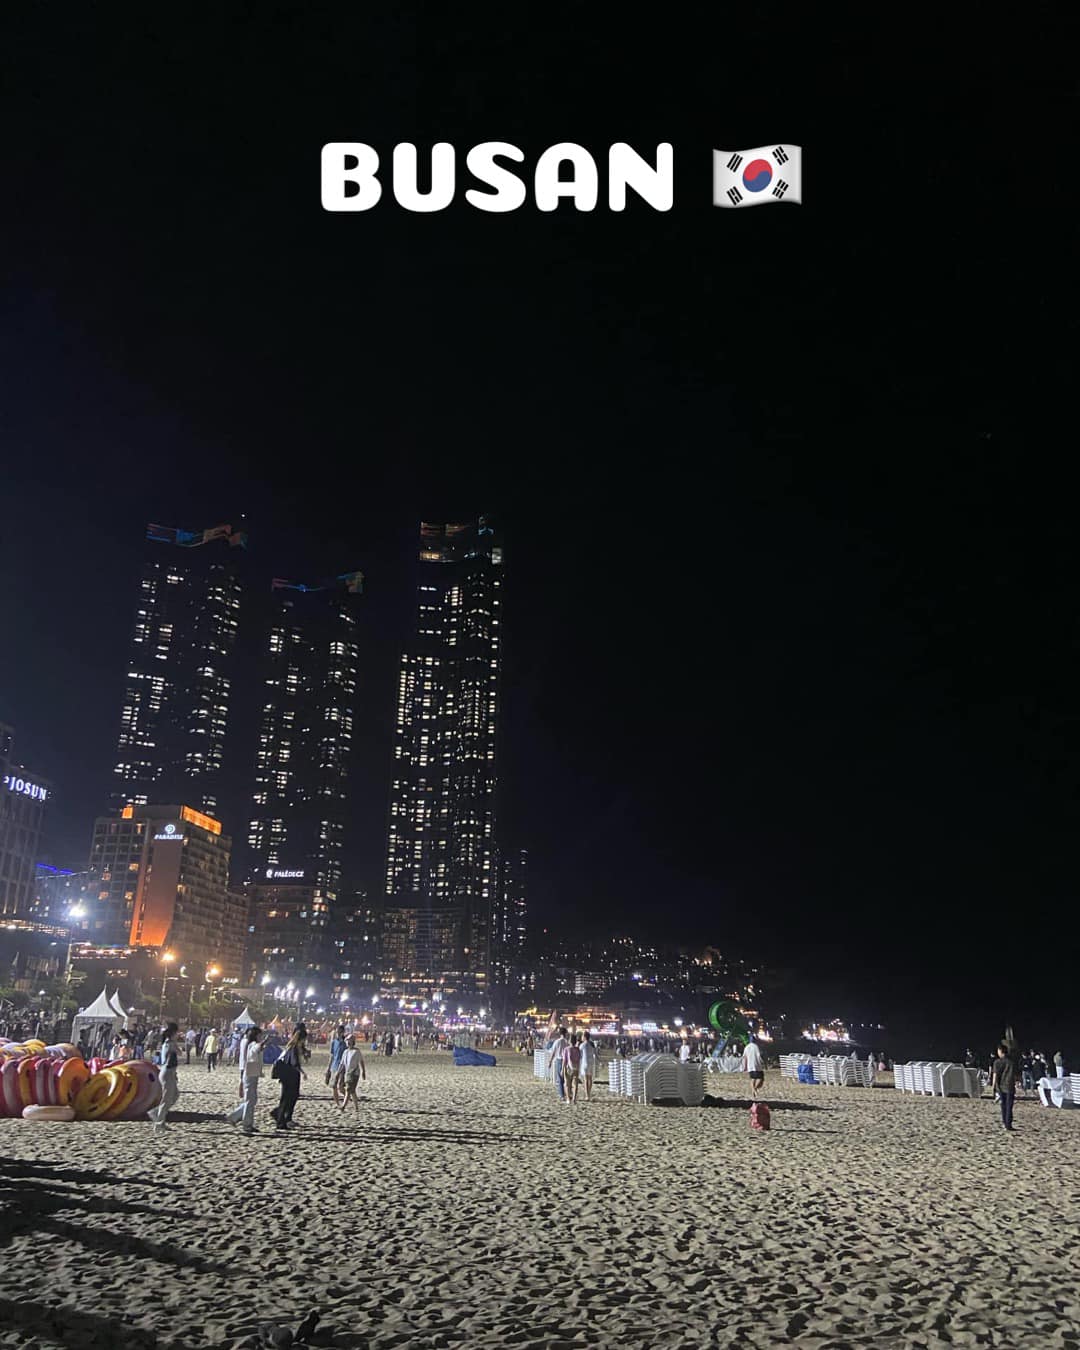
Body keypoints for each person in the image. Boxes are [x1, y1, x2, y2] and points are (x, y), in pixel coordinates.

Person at [223, 1025, 265, 1135]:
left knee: (252, 1099)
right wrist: (262, 1044)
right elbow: (256, 1049)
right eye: (260, 1035)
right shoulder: (252, 1044)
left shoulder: (249, 1043)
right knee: (250, 1099)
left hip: (252, 1068)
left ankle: (235, 1116)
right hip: (250, 1069)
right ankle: (246, 1124)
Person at [270, 1028, 307, 1130]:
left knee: (290, 1097)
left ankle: (280, 1115)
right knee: (287, 1099)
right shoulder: (293, 1048)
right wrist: (303, 1073)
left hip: (288, 1076)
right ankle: (280, 1121)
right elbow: (294, 1063)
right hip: (290, 1076)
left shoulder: (293, 1047)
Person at [149, 1023, 181, 1128]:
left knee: (175, 1095)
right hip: (167, 1072)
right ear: (173, 1033)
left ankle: (157, 1114)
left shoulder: (169, 1043)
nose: (178, 1034)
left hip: (169, 1072)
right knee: (167, 1098)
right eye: (177, 1032)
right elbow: (177, 1054)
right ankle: (159, 1121)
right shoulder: (169, 1043)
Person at [990, 1040, 1019, 1131]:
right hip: (1009, 1086)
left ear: (1000, 1051)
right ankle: (1008, 1124)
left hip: (1000, 1086)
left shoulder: (997, 1062)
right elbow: (1015, 1074)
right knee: (1009, 1106)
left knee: (1003, 1105)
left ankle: (1004, 1123)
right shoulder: (1011, 1062)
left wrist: (993, 1086)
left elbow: (995, 1074)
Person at [339, 1035, 366, 1118]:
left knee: (348, 1089)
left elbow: (361, 1061)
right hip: (347, 1073)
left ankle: (343, 1106)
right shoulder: (345, 1052)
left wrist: (364, 1072)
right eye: (347, 1041)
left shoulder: (356, 1051)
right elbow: (342, 1063)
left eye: (349, 1040)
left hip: (354, 1073)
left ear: (352, 1041)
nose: (347, 1042)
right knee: (352, 1091)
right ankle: (356, 1107)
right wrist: (338, 1073)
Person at [546, 1026, 568, 1101]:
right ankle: (567, 1093)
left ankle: (562, 1095)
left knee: (560, 1078)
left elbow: (553, 1052)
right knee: (566, 1078)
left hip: (559, 1060)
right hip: (567, 1061)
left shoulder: (557, 1041)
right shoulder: (567, 1042)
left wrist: (550, 1061)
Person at [328, 1024, 347, 1104]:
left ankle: (348, 1096)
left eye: (340, 1032)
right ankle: (338, 1104)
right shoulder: (333, 1042)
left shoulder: (345, 1043)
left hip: (342, 1067)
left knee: (341, 1087)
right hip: (334, 1066)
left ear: (343, 1032)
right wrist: (328, 1068)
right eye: (337, 1032)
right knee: (334, 1086)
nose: (338, 1034)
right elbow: (332, 1056)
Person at [562, 1034, 583, 1104]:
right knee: (575, 1084)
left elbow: (565, 1061)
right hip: (576, 1067)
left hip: (568, 1068)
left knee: (567, 1084)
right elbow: (580, 1059)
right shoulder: (578, 1049)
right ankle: (574, 1099)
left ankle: (568, 1099)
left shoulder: (566, 1049)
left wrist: (563, 1069)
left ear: (569, 1041)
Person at [579, 1031, 599, 1101]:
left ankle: (587, 1095)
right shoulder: (592, 1045)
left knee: (586, 1079)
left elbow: (579, 1053)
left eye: (582, 1036)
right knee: (590, 1079)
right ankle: (589, 1094)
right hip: (591, 1063)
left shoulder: (582, 1045)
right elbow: (596, 1054)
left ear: (584, 1037)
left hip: (584, 1063)